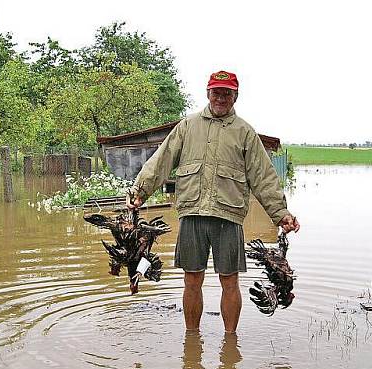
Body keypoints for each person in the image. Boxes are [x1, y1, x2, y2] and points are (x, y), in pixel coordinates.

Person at [127, 70, 300, 334]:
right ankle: (191, 339)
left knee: (229, 281)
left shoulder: (244, 132)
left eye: (227, 93)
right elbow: (161, 160)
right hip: (192, 213)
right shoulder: (188, 126)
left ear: (235, 96)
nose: (221, 97)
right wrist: (141, 190)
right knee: (191, 280)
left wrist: (280, 213)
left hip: (228, 216)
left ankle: (230, 339)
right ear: (208, 93)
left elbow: (263, 177)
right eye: (216, 92)